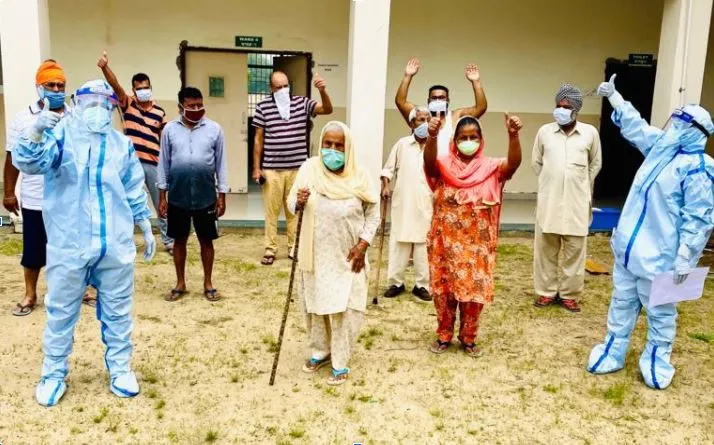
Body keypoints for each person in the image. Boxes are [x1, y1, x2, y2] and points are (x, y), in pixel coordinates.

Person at [13, 79, 156, 406]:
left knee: (119, 311)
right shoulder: (59, 137)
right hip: (69, 243)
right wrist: (35, 132)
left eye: (104, 104)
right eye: (90, 103)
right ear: (78, 103)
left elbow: (133, 185)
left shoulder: (121, 145)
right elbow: (29, 163)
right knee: (61, 311)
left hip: (114, 245)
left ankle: (120, 369)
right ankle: (53, 373)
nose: (97, 110)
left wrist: (144, 222)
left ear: (112, 108)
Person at [588, 75, 714, 389]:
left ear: (693, 131)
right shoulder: (663, 149)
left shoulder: (698, 167)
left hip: (661, 256)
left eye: (679, 122)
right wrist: (616, 98)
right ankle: (613, 349)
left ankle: (657, 357)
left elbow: (698, 218)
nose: (673, 126)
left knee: (659, 310)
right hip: (630, 248)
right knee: (622, 301)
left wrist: (686, 256)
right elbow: (637, 128)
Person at [287, 121, 379, 386]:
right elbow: (292, 205)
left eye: (339, 145)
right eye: (328, 144)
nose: (333, 150)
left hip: (348, 254)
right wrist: (298, 201)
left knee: (344, 308)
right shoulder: (309, 169)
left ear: (347, 148)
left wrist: (363, 244)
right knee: (316, 304)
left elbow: (373, 213)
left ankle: (340, 360)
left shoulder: (359, 175)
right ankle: (320, 351)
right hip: (315, 254)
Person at [424, 113, 523, 357]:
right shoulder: (443, 166)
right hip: (444, 244)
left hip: (477, 247)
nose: (468, 141)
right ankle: (443, 334)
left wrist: (513, 136)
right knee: (444, 292)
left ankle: (469, 338)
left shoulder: (491, 168)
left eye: (473, 137)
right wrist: (432, 136)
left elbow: (513, 164)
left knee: (473, 295)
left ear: (481, 139)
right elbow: (428, 165)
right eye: (463, 137)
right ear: (454, 140)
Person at [4, 60, 96, 316]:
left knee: (77, 246)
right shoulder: (23, 119)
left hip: (71, 196)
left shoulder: (76, 117)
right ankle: (30, 293)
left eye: (60, 85)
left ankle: (83, 289)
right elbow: (11, 157)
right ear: (39, 87)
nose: (56, 89)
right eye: (50, 85)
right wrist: (9, 191)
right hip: (36, 197)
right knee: (33, 249)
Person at [531, 84, 602, 312]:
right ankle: (546, 292)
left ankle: (570, 295)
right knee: (545, 252)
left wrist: (578, 182)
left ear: (576, 110)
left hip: (576, 203)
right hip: (549, 202)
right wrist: (552, 180)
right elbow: (537, 162)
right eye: (558, 106)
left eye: (566, 107)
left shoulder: (590, 133)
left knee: (575, 253)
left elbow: (595, 163)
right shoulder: (544, 132)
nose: (561, 110)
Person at [252, 71, 334, 266]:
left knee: (295, 210)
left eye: (286, 86)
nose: (283, 90)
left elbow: (327, 109)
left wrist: (322, 90)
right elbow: (258, 138)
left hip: (299, 169)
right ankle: (270, 249)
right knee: (272, 211)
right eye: (278, 87)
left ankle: (293, 247)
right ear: (271, 88)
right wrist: (257, 168)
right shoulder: (263, 107)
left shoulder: (301, 103)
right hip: (272, 169)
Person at [98, 51, 173, 253]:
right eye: (139, 88)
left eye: (146, 87)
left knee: (162, 204)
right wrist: (105, 67)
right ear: (134, 89)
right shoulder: (128, 103)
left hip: (154, 164)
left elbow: (165, 138)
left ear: (151, 87)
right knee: (125, 202)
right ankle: (123, 241)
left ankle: (169, 241)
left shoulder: (159, 111)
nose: (143, 91)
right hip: (130, 164)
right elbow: (116, 86)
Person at [158, 87, 228, 302]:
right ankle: (180, 282)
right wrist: (162, 197)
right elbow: (164, 163)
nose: (197, 109)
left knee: (206, 240)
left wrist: (222, 194)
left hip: (205, 195)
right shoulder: (169, 130)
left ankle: (208, 283)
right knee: (179, 240)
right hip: (178, 196)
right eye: (191, 106)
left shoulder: (215, 129)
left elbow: (221, 164)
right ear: (181, 107)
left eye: (199, 105)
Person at [380, 106, 433, 302]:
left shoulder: (434, 146)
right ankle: (396, 282)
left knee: (423, 244)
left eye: (428, 118)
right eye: (420, 119)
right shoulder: (402, 144)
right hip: (403, 202)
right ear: (412, 123)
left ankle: (422, 285)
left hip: (426, 202)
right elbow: (387, 170)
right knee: (399, 241)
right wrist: (385, 186)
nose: (425, 123)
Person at [395, 58, 487, 151]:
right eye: (434, 98)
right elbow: (400, 102)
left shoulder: (455, 116)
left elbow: (480, 108)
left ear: (448, 101)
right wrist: (408, 76)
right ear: (428, 101)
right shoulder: (420, 115)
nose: (438, 100)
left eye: (442, 98)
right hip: (422, 164)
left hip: (447, 165)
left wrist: (476, 82)